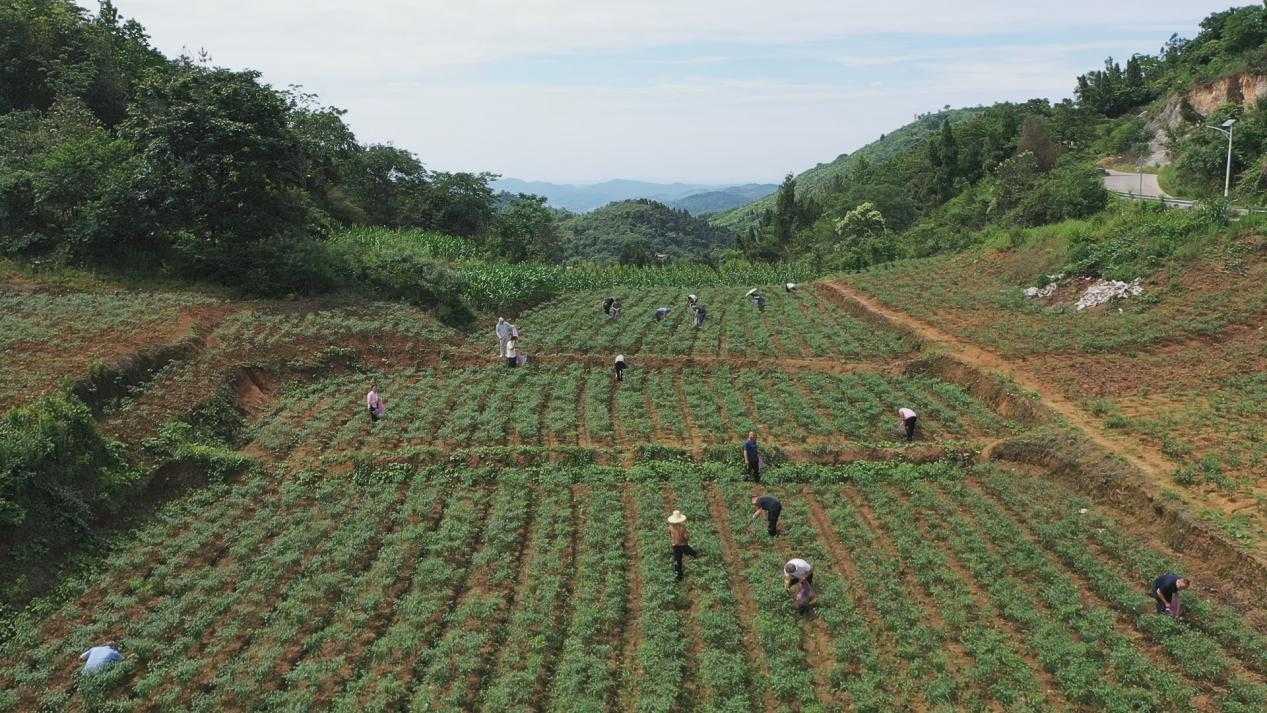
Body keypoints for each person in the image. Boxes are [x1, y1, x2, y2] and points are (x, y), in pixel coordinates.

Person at [667, 510, 700, 580]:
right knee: (689, 551)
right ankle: (696, 555)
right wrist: (687, 537)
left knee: (677, 560)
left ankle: (678, 575)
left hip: (675, 546)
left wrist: (674, 540)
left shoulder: (670, 527)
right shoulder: (682, 528)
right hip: (682, 544)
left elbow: (669, 534)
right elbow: (686, 537)